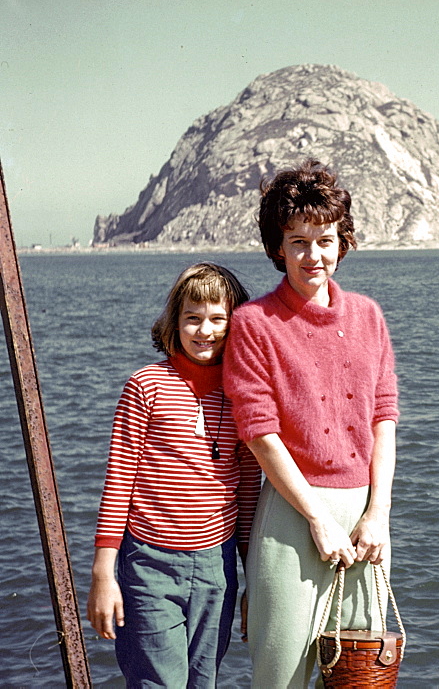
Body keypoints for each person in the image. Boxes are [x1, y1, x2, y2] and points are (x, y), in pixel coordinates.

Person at [223, 160, 400, 687]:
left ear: (341, 242)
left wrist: (378, 514)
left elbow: (383, 420)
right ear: (277, 247)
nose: (311, 255)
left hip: (365, 517)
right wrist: (318, 519)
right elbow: (258, 433)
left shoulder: (368, 316)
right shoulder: (253, 324)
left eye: (323, 239)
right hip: (290, 516)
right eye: (296, 241)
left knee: (358, 673)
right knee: (282, 674)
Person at [87, 262, 260, 688]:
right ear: (174, 321)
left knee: (204, 681)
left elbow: (249, 496)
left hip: (216, 568)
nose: (205, 331)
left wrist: (252, 581)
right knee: (158, 683)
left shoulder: (245, 396)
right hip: (149, 564)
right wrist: (102, 575)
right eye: (193, 318)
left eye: (218, 319)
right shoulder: (146, 386)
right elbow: (119, 480)